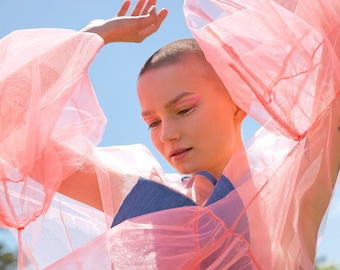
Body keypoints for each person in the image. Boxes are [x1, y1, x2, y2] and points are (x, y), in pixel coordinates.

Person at [0, 0, 339, 269]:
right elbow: (9, 127)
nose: (168, 135)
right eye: (153, 122)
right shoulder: (144, 196)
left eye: (184, 109)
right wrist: (93, 35)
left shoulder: (289, 182)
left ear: (239, 102)